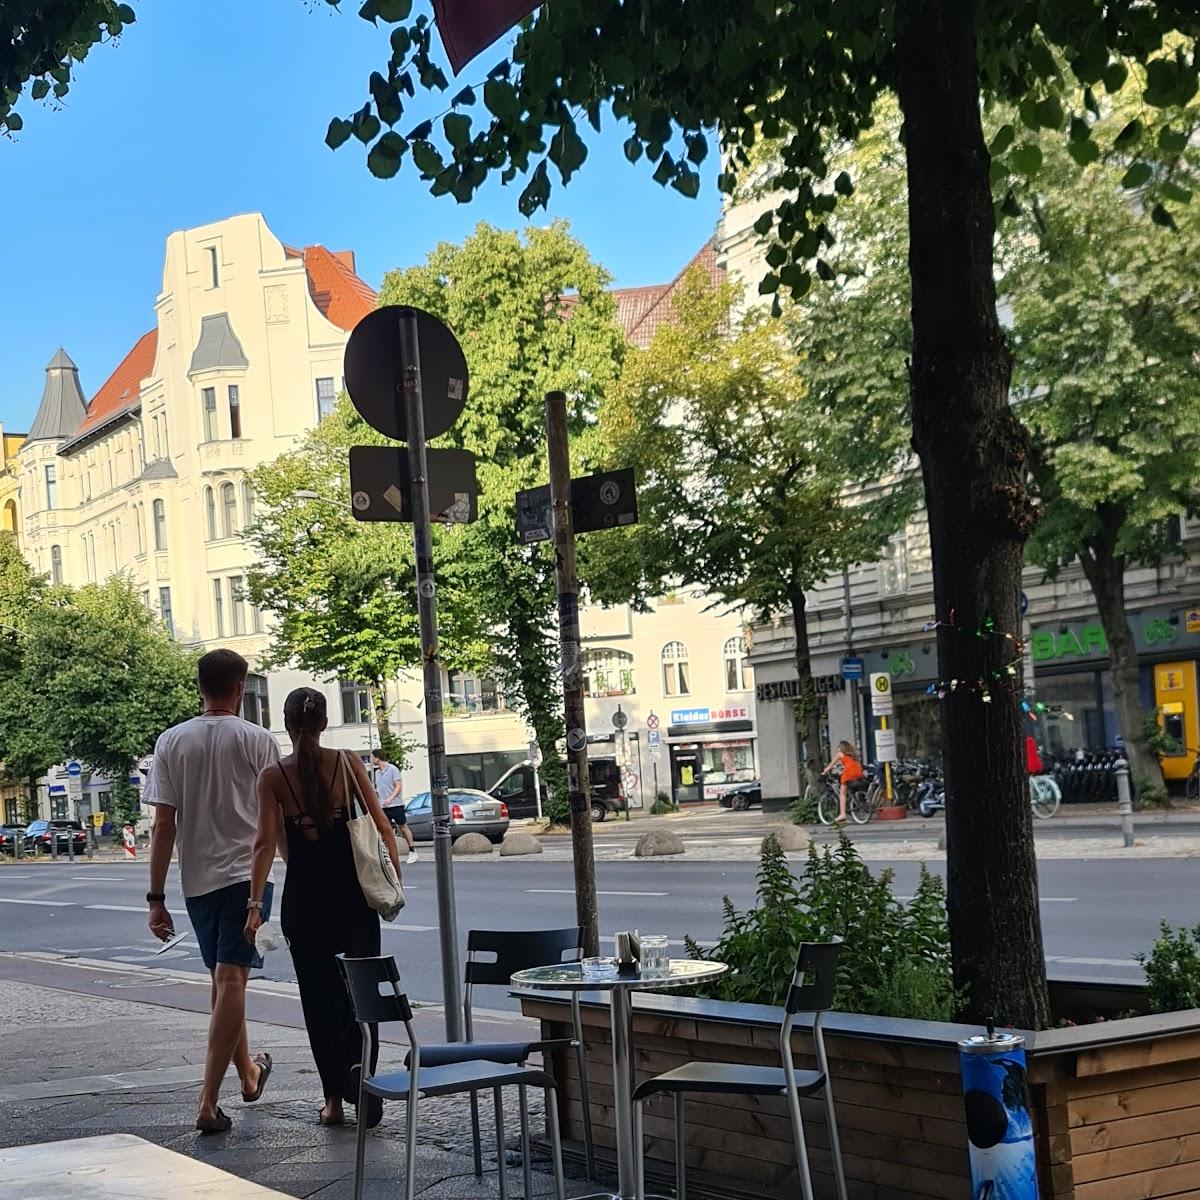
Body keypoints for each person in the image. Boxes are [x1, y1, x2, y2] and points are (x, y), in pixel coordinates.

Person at [246, 688, 402, 1128]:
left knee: (318, 1001)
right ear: (325, 723)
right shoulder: (348, 762)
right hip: (353, 898)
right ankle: (361, 1076)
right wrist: (394, 875)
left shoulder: (273, 776)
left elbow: (265, 844)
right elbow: (380, 823)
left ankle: (333, 1101)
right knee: (361, 993)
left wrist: (255, 906)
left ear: (287, 724)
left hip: (305, 901)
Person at [146, 648, 281, 1134]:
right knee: (231, 982)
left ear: (200, 687)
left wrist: (156, 898)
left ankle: (248, 1076)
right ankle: (207, 1101)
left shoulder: (171, 741)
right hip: (248, 878)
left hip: (197, 882)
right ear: (240, 688)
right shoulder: (259, 741)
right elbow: (274, 821)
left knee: (225, 982)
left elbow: (163, 826)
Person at [371, 748, 417, 864]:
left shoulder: (393, 769)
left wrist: (390, 798)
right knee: (383, 829)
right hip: (383, 806)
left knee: (403, 828)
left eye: (372, 757)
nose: (371, 760)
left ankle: (412, 851)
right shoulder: (377, 773)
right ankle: (387, 853)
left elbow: (398, 786)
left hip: (396, 805)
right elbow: (379, 789)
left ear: (377, 758)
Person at [823, 740, 865, 823]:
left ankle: (842, 814)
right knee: (849, 789)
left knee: (842, 794)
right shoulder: (852, 755)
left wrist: (825, 771)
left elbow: (831, 764)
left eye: (838, 747)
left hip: (848, 774)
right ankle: (854, 802)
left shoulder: (840, 754)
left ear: (841, 748)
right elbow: (850, 765)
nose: (838, 749)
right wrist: (842, 771)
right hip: (858, 773)